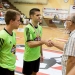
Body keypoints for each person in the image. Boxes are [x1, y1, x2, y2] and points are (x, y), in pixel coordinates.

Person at [22, 8, 53, 75]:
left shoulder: (40, 27)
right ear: (31, 16)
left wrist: (41, 54)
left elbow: (39, 42)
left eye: (40, 15)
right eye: (37, 15)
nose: (40, 16)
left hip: (37, 56)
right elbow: (30, 44)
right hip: (29, 58)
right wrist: (43, 41)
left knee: (35, 73)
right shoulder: (27, 28)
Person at [0, 9, 21, 75]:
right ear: (11, 21)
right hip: (3, 69)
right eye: (18, 20)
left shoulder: (14, 34)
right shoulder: (2, 35)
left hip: (11, 67)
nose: (20, 23)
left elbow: (12, 50)